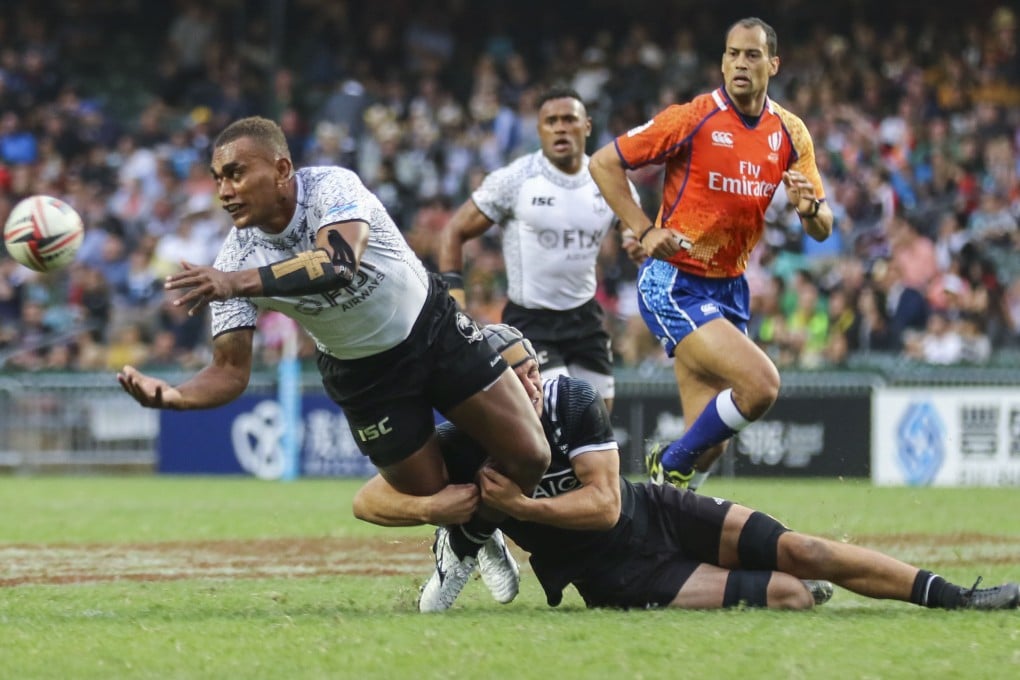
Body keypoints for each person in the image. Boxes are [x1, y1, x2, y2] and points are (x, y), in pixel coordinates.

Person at [116, 116, 551, 606]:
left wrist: (237, 282)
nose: (224, 190)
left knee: (531, 455)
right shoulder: (233, 258)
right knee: (431, 492)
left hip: (432, 330)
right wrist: (176, 396)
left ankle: (464, 545)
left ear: (281, 169)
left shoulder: (331, 188)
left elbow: (338, 262)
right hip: (363, 376)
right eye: (218, 178)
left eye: (236, 173)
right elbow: (228, 372)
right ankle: (469, 532)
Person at [353, 323, 1020, 612]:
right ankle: (769, 587)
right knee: (788, 593)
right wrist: (428, 508)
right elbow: (368, 500)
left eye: (533, 371)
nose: (530, 386)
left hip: (653, 511)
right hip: (614, 572)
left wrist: (521, 511)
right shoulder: (465, 437)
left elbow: (606, 506)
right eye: (514, 378)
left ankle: (958, 596)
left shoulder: (571, 398)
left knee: (805, 550)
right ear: (488, 389)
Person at [589, 17, 834, 491]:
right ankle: (670, 463)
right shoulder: (694, 117)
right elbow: (604, 162)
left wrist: (811, 210)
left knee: (713, 444)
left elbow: (823, 228)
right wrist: (642, 228)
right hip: (674, 280)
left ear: (774, 64)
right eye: (733, 54)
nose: (741, 63)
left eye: (753, 55)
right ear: (722, 62)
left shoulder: (790, 132)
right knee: (761, 385)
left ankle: (659, 527)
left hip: (730, 286)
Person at [438, 86, 644, 413]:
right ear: (539, 130)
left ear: (587, 126)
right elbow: (454, 230)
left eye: (569, 119)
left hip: (586, 318)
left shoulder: (610, 182)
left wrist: (636, 242)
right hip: (531, 320)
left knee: (598, 418)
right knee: (561, 408)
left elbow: (636, 230)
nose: (560, 127)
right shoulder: (515, 179)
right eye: (551, 121)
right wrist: (455, 298)